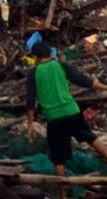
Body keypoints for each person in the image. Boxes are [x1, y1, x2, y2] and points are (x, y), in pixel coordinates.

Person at [27, 36, 84, 169]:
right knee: (91, 138)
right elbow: (81, 80)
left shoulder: (34, 72)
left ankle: (62, 189)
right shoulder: (60, 65)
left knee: (58, 159)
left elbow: (30, 100)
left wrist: (30, 124)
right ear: (51, 53)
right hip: (71, 111)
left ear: (35, 57)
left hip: (53, 118)